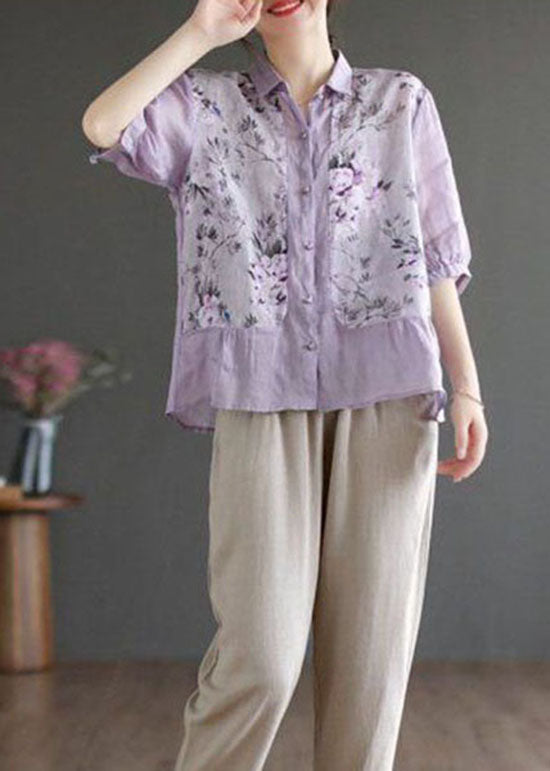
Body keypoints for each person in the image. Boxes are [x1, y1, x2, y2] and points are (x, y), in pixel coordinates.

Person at [82, 1, 489, 768]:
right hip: (258, 392)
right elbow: (104, 126)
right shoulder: (205, 106)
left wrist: (466, 388)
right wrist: (202, 31)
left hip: (391, 392)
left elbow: (435, 258)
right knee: (260, 659)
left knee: (369, 673)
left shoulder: (399, 100)